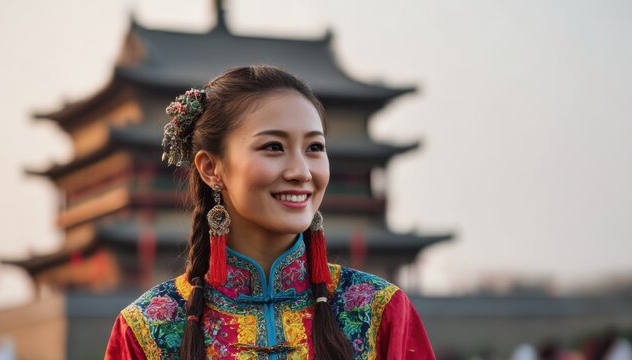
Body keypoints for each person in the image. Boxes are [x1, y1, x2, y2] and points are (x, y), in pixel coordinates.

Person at [105, 65, 435, 360]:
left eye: (314, 148)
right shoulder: (147, 329)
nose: (302, 171)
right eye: (273, 147)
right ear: (211, 168)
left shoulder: (379, 311)